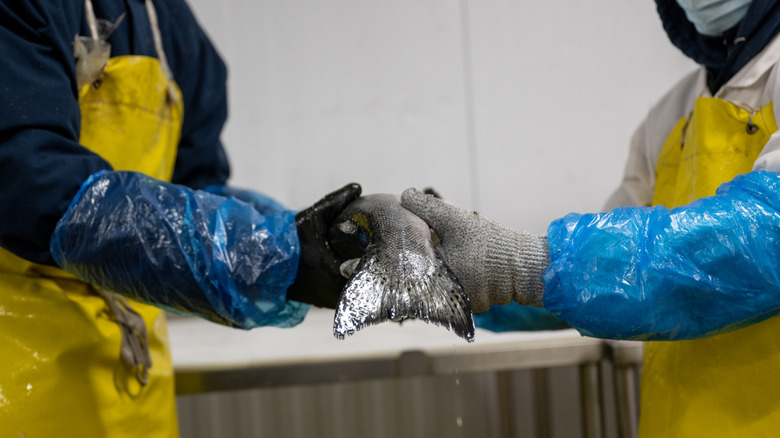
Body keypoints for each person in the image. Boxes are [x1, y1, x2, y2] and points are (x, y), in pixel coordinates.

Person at [401, 0, 780, 436]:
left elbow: (764, 238)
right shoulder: (670, 117)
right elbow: (594, 285)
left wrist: (523, 264)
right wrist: (457, 276)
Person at [0, 0, 359, 435]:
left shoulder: (167, 21)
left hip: (135, 388)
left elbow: (195, 188)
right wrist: (268, 260)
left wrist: (312, 238)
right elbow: (33, 185)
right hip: (19, 387)